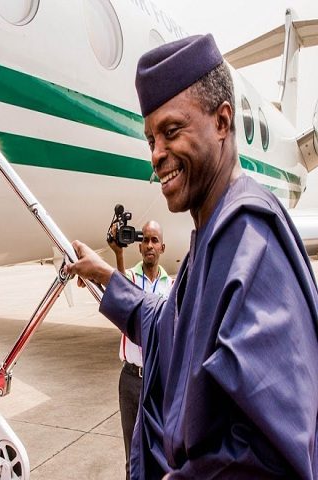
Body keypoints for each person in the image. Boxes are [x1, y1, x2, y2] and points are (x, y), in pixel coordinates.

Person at [65, 34, 318, 479]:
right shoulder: (212, 232)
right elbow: (172, 331)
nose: (157, 155)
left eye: (171, 131)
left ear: (222, 122)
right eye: (150, 140)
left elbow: (270, 460)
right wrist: (108, 277)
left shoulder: (248, 240)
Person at [110, 221, 172, 480]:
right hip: (131, 381)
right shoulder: (131, 278)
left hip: (158, 379)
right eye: (145, 240)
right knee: (131, 455)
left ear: (162, 247)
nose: (149, 245)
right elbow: (120, 294)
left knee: (160, 451)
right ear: (139, 246)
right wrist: (118, 254)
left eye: (154, 240)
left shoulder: (171, 285)